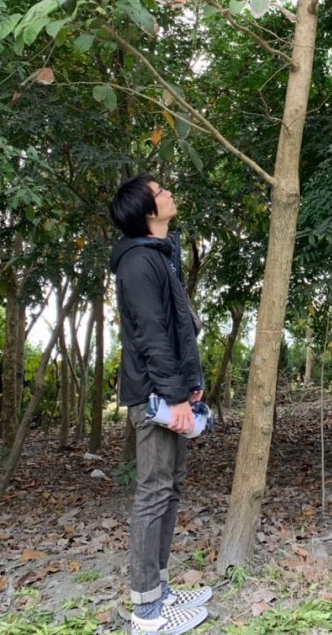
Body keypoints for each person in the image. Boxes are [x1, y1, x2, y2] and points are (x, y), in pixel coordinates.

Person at [109, 174, 212, 635]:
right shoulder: (137, 262)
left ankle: (161, 589)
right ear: (146, 210)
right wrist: (174, 395)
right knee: (153, 492)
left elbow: (177, 328)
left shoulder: (159, 254)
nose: (168, 193)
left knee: (170, 487)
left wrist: (191, 385)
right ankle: (146, 612)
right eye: (159, 191)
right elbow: (151, 335)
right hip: (154, 397)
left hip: (171, 391)